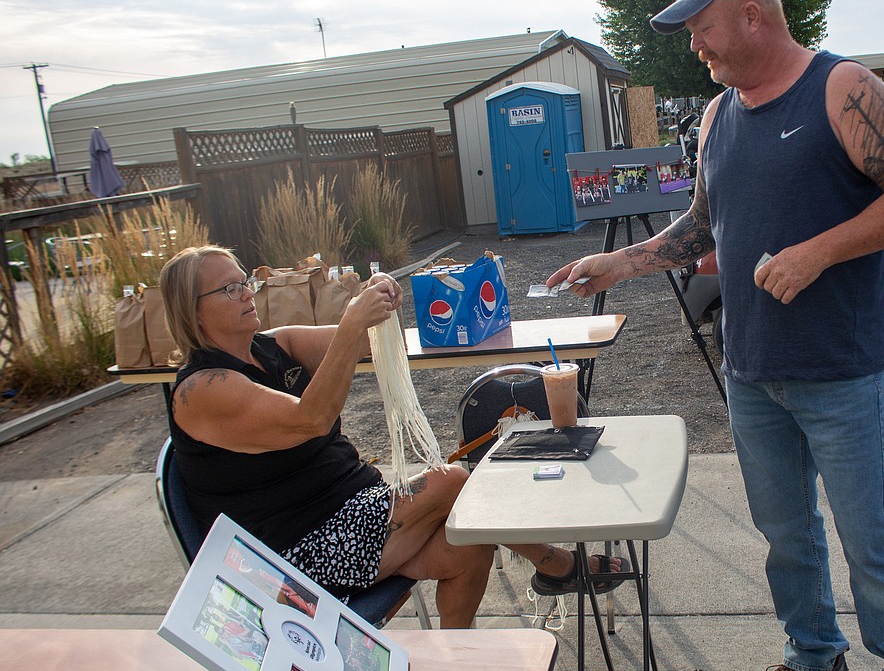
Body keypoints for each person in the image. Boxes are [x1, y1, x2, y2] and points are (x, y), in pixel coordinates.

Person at [546, 0, 884, 671]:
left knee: (871, 541)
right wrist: (622, 264)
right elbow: (703, 225)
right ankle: (816, 657)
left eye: (701, 26)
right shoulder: (720, 117)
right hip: (753, 369)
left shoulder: (842, 89)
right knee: (786, 535)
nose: (695, 44)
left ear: (753, 16)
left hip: (838, 368)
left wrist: (818, 253)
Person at [159, 245, 627, 628]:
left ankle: (453, 664)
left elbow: (367, 343)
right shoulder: (201, 391)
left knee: (467, 541)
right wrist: (350, 323)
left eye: (247, 282)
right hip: (292, 558)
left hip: (355, 518)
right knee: (453, 482)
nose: (246, 293)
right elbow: (311, 420)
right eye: (230, 288)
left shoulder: (275, 345)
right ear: (193, 312)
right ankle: (556, 566)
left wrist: (376, 305)